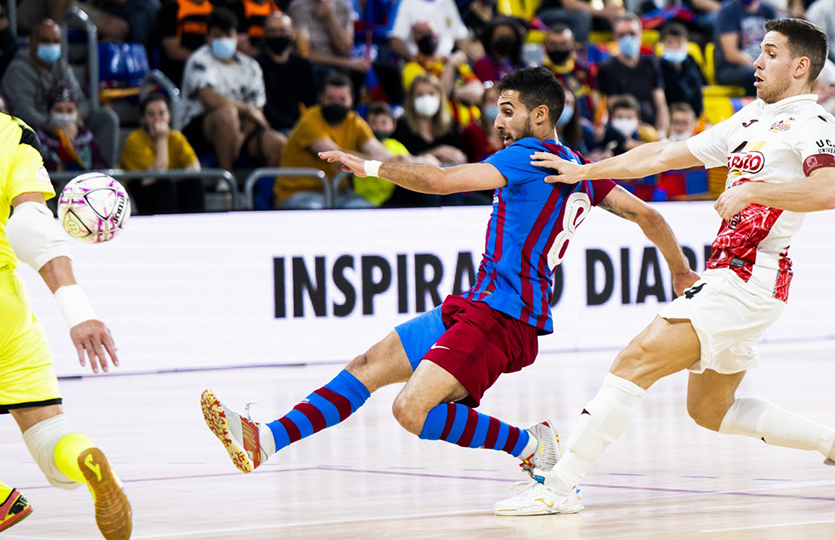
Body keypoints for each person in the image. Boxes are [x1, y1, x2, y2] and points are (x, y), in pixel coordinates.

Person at [200, 68, 695, 499]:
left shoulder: (530, 155)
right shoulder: (582, 170)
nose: (497, 122)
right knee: (367, 365)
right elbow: (649, 216)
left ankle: (531, 445)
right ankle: (265, 441)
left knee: (411, 410)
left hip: (504, 314)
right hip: (480, 304)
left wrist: (369, 165)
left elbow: (439, 181)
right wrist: (678, 269)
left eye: (507, 110)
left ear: (540, 117)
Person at [495, 19, 835, 516]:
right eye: (759, 51)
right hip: (733, 277)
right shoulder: (749, 120)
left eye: (770, 53)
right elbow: (661, 154)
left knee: (634, 360)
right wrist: (586, 170)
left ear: (800, 67)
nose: (757, 61)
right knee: (709, 409)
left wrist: (753, 190)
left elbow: (827, 192)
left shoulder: (814, 123)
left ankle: (560, 486)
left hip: (751, 277)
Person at [0, 5, 131, 540]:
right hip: (2, 307)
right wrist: (79, 313)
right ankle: (85, 460)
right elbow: (33, 225)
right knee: (50, 438)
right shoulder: (13, 133)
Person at [0, 19, 120, 167]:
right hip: (38, 128)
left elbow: (81, 100)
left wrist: (76, 117)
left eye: (55, 41)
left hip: (68, 121)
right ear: (31, 41)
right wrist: (53, 125)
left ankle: (105, 175)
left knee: (106, 119)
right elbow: (22, 112)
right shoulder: (17, 70)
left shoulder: (61, 66)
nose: (51, 45)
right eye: (45, 40)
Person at [180, 8, 286, 173]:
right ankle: (227, 183)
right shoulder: (199, 60)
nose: (223, 39)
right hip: (201, 126)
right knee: (226, 114)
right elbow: (210, 100)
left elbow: (257, 109)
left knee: (277, 143)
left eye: (228, 34)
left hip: (244, 127)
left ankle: (270, 195)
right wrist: (247, 108)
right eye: (217, 35)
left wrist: (241, 136)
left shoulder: (250, 66)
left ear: (237, 36)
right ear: (208, 38)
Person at [274, 74, 394, 209]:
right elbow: (336, 156)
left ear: (351, 100)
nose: (336, 104)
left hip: (338, 193)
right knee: (317, 212)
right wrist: (377, 161)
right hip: (297, 194)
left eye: (342, 99)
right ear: (321, 98)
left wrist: (410, 161)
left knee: (366, 207)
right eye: (331, 99)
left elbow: (379, 151)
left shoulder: (355, 123)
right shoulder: (309, 121)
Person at [120, 93, 205, 215]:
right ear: (143, 118)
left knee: (193, 184)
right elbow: (159, 172)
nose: (157, 119)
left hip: (170, 188)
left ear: (169, 115)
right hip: (143, 193)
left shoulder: (177, 138)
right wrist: (162, 139)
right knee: (163, 185)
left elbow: (195, 167)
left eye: (162, 113)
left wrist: (172, 176)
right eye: (151, 114)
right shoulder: (134, 140)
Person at [598, 15, 670, 139]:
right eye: (622, 35)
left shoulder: (651, 63)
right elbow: (614, 108)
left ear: (641, 35)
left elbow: (661, 104)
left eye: (632, 33)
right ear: (615, 38)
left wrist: (661, 132)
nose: (628, 38)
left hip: (652, 128)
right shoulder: (608, 67)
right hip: (624, 129)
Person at [401, 21, 484, 127]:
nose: (427, 36)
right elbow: (439, 97)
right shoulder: (412, 68)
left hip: (473, 124)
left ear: (438, 35)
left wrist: (452, 92)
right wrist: (450, 66)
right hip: (443, 127)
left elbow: (479, 92)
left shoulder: (453, 61)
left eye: (430, 32)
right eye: (420, 33)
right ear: (413, 39)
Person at [255, 12, 317, 133]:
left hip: (303, 126)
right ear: (265, 34)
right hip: (273, 129)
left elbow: (312, 102)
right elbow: (266, 108)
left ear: (292, 33)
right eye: (273, 31)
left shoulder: (304, 65)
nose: (278, 35)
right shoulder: (256, 66)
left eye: (282, 30)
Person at [37, 85, 109, 172]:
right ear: (49, 112)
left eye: (70, 110)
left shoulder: (86, 135)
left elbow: (101, 165)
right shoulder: (39, 138)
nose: (65, 115)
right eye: (59, 110)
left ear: (77, 113)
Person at [714, 0, 777, 95]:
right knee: (756, 74)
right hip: (731, 69)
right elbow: (731, 54)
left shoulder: (768, 10)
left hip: (761, 64)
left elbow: (776, 45)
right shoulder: (728, 11)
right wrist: (759, 66)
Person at [543, 24, 599, 123]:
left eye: (563, 44)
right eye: (553, 44)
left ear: (572, 45)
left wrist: (598, 124)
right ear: (546, 45)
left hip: (588, 124)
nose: (558, 49)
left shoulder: (583, 70)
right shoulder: (541, 74)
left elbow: (595, 100)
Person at [157, 0, 215, 86]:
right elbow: (172, 51)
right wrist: (203, 60)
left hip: (211, 71)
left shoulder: (214, 8)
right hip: (180, 72)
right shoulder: (172, 8)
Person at [659, 22, 705, 119]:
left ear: (686, 43)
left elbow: (698, 95)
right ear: (662, 44)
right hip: (668, 117)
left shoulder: (691, 64)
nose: (675, 47)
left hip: (691, 116)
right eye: (670, 42)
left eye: (679, 42)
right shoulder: (656, 67)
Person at [473, 16, 528, 84]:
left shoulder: (522, 65)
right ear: (490, 40)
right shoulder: (483, 64)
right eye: (500, 36)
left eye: (509, 36)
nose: (505, 40)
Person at [462, 84, 506, 163]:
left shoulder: (512, 133)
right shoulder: (471, 132)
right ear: (483, 104)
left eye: (500, 102)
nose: (496, 106)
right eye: (491, 100)